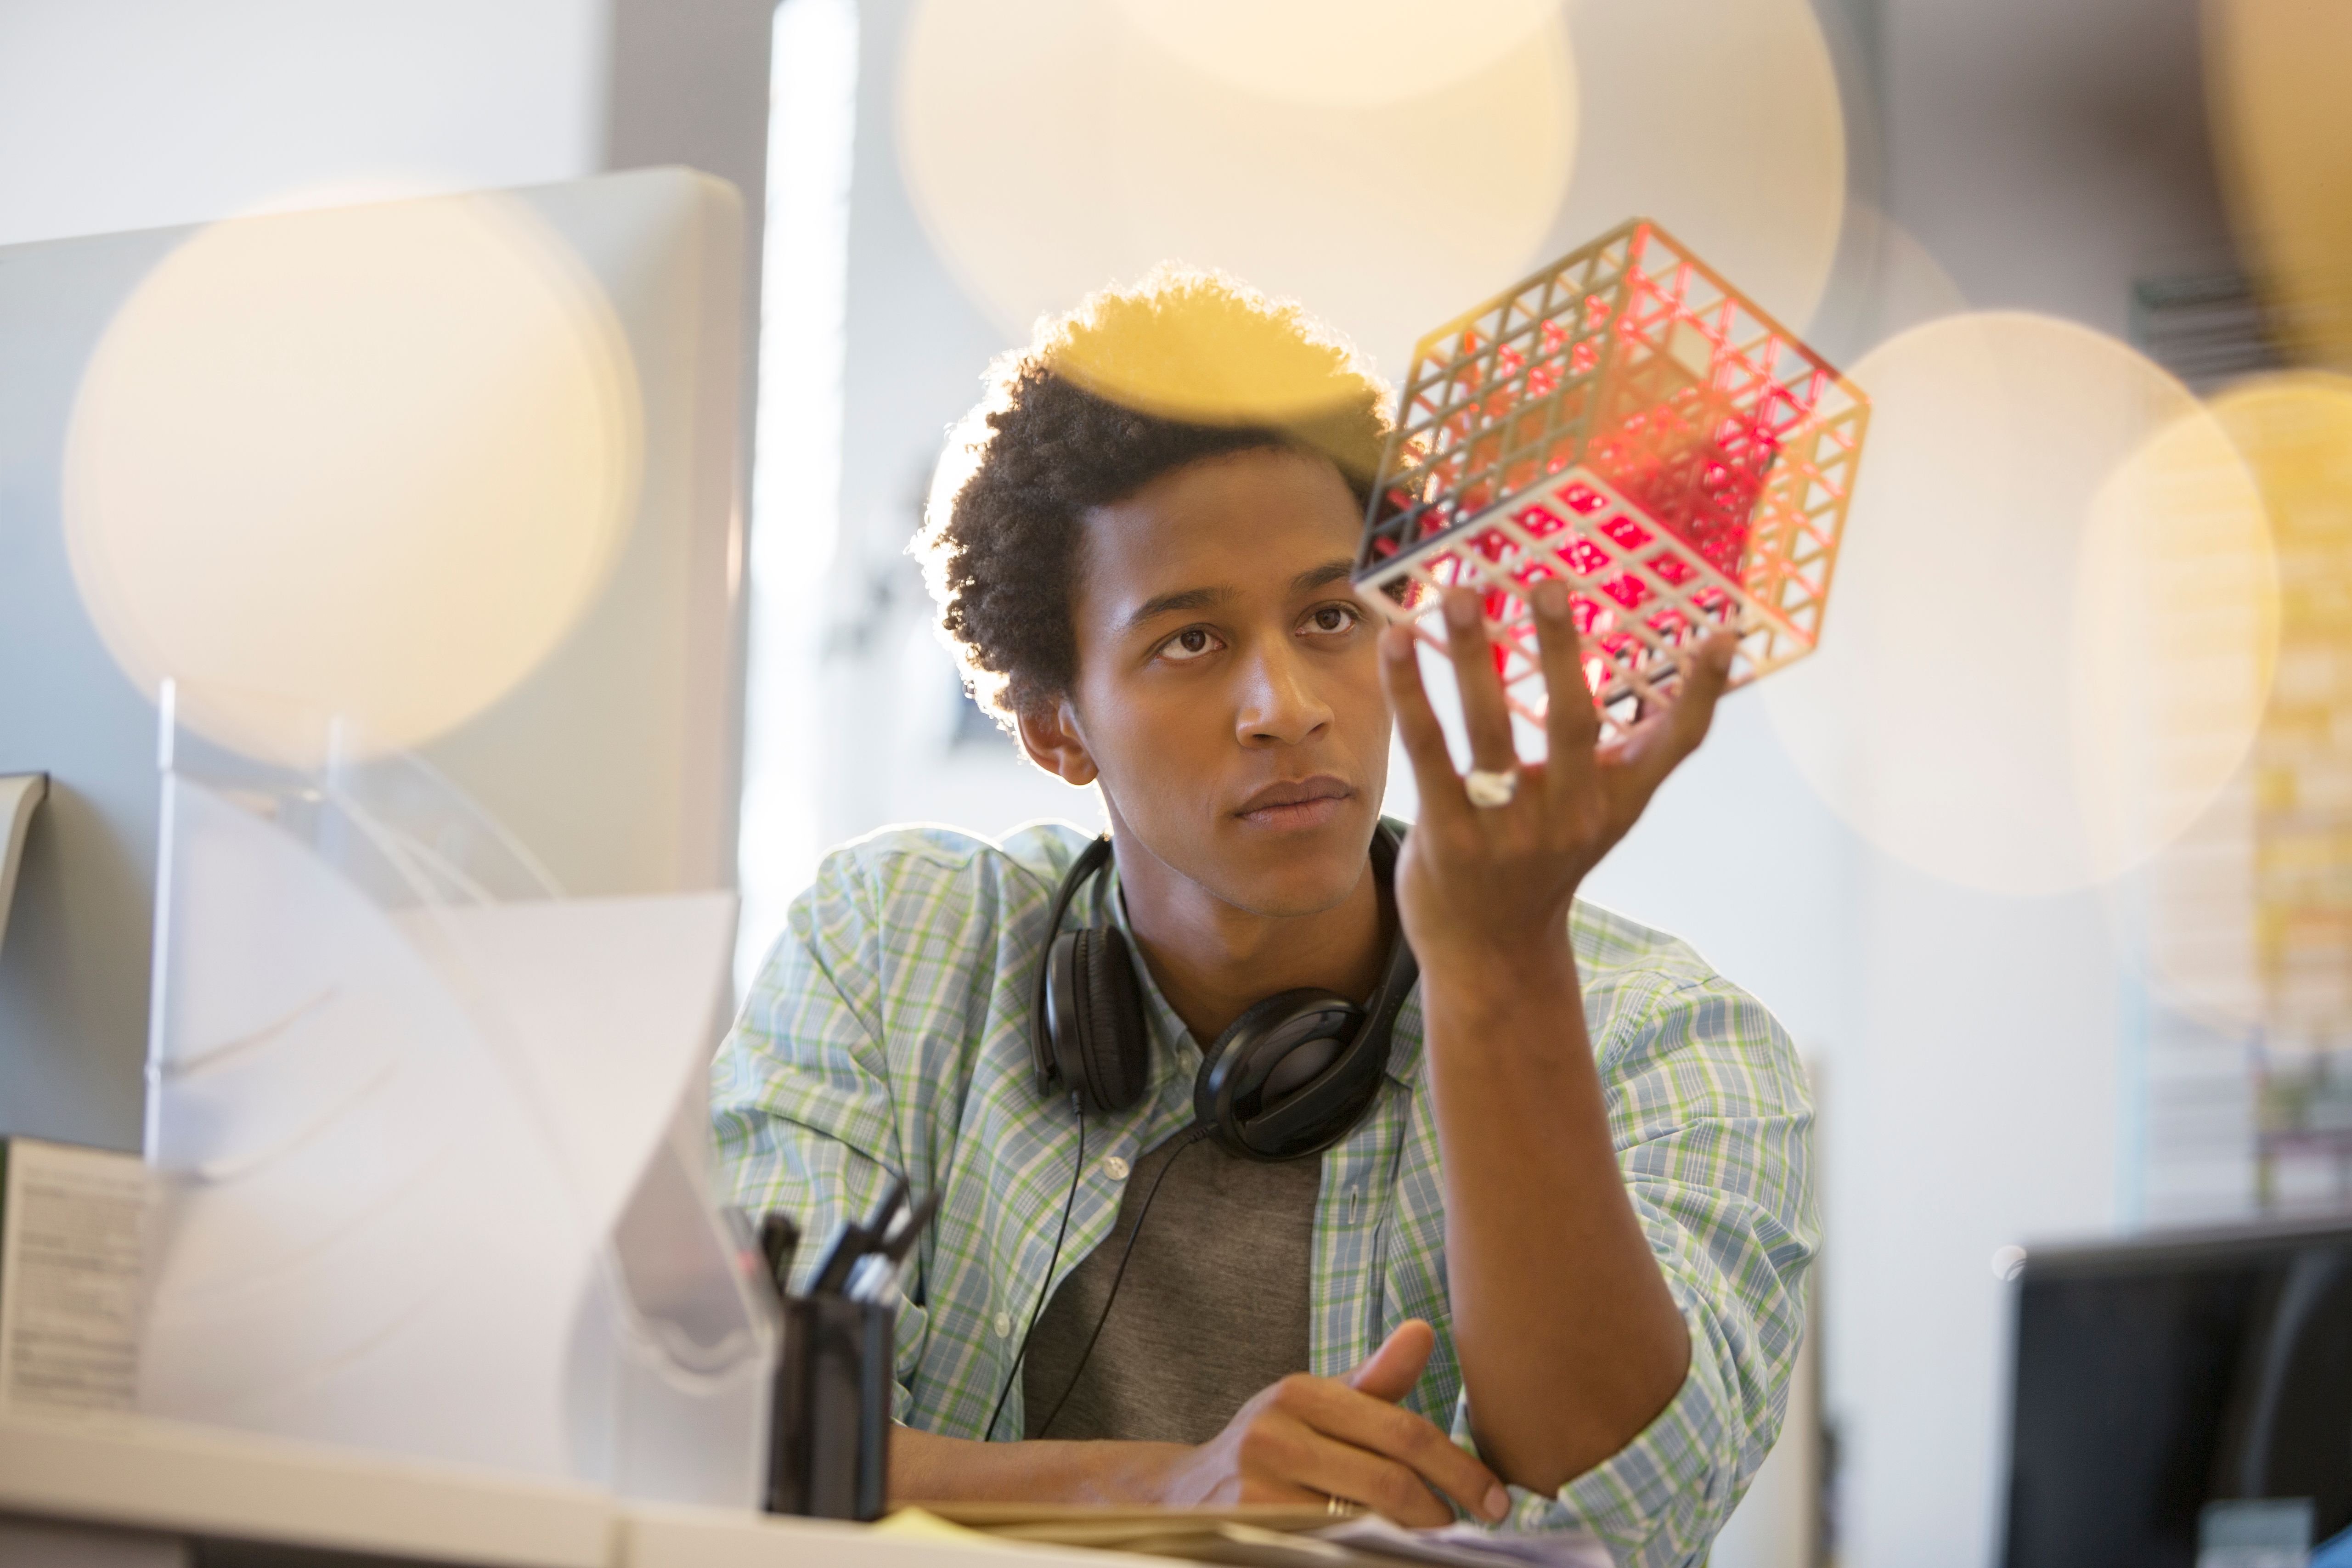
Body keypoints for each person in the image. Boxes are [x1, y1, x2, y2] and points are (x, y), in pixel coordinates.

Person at [712, 268, 1816, 1567]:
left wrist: (1498, 966)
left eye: (1332, 614)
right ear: (1057, 724)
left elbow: (1617, 1516)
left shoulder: (1669, 1039)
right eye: (1188, 641)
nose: (1284, 704)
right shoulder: (893, 947)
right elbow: (731, 1438)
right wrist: (1171, 1492)